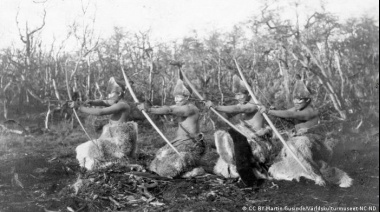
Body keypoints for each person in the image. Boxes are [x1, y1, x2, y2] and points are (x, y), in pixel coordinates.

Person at [205, 75, 275, 184]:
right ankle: (239, 168)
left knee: (236, 138)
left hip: (258, 143)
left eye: (240, 94)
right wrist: (217, 112)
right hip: (247, 140)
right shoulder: (243, 103)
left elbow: (238, 108)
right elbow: (231, 113)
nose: (238, 98)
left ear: (248, 93)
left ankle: (248, 175)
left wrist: (216, 106)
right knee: (224, 136)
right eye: (236, 95)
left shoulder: (255, 104)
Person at [137, 79, 205, 178]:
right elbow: (166, 107)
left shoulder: (190, 108)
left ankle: (194, 170)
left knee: (167, 168)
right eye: (175, 97)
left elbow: (170, 110)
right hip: (180, 142)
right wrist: (150, 107)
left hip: (189, 144)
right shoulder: (181, 105)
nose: (176, 100)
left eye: (179, 97)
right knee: (159, 157)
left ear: (187, 97)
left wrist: (149, 109)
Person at [69, 77, 138, 170]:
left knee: (87, 148)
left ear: (120, 93)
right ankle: (104, 165)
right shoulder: (115, 102)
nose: (109, 96)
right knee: (86, 149)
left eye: (112, 93)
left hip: (118, 142)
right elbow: (103, 101)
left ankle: (110, 165)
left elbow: (100, 112)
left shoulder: (122, 105)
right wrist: (91, 102)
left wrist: (80, 108)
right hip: (112, 137)